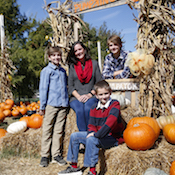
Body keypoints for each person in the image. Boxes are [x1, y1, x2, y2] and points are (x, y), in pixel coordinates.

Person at [58, 80, 125, 175]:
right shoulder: (94, 107)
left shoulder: (114, 104)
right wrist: (92, 133)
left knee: (91, 140)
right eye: (101, 95)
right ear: (96, 96)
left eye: (106, 94)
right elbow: (91, 125)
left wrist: (96, 135)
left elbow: (110, 123)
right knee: (75, 136)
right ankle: (73, 167)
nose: (104, 97)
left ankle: (92, 171)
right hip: (98, 136)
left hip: (112, 137)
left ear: (110, 93)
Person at [39, 46, 69, 167]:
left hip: (63, 105)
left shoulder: (62, 71)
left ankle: (56, 155)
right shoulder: (46, 71)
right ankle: (45, 155)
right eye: (54, 55)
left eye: (58, 55)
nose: (57, 57)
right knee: (47, 129)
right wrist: (42, 106)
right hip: (51, 104)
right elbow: (43, 89)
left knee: (58, 130)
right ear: (49, 57)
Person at [67, 41, 103, 131]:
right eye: (76, 51)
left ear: (84, 50)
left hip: (91, 95)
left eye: (80, 49)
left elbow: (99, 83)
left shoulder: (94, 64)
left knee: (88, 108)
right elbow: (70, 87)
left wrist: (89, 95)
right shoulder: (72, 66)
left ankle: (91, 134)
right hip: (76, 98)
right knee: (79, 110)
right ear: (74, 53)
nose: (78, 52)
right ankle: (83, 137)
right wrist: (79, 97)